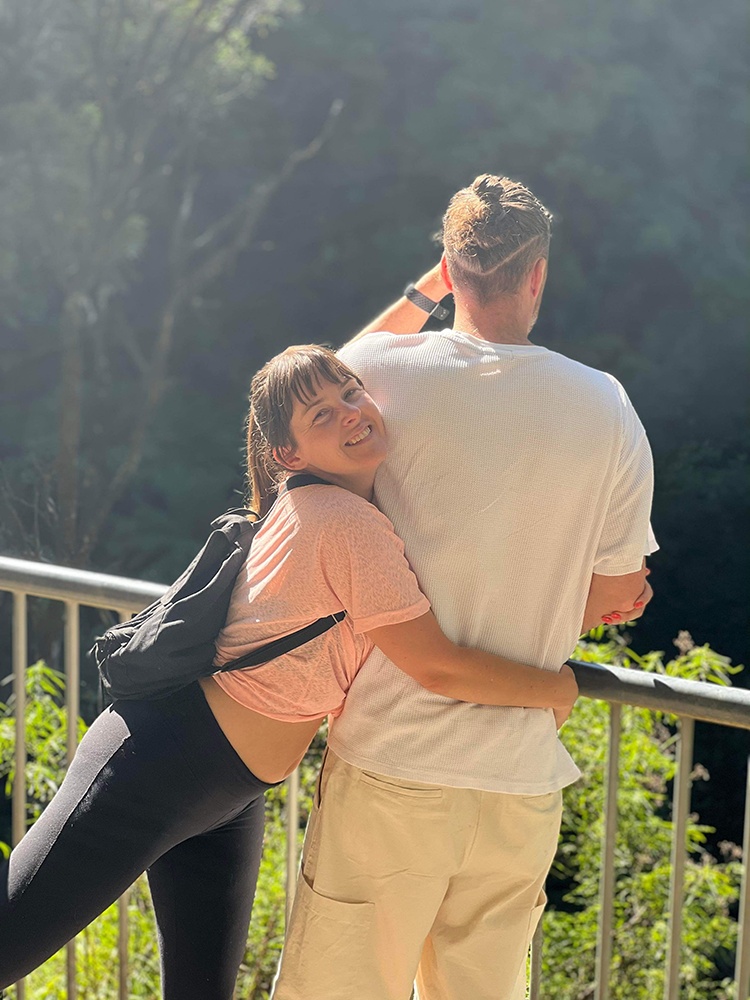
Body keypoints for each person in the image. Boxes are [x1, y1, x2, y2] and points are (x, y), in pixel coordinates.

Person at [0, 345, 589, 999]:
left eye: (351, 391)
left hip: (229, 792)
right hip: (159, 765)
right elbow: (437, 666)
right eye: (321, 414)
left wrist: (424, 299)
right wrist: (557, 689)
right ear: (289, 452)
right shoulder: (344, 524)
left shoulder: (308, 496)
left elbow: (307, 389)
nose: (350, 413)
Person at [271, 174, 657, 1000]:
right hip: (518, 778)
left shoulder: (381, 372)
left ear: (450, 270)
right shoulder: (607, 405)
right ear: (538, 275)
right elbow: (615, 594)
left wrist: (421, 295)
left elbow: (315, 393)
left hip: (392, 762)